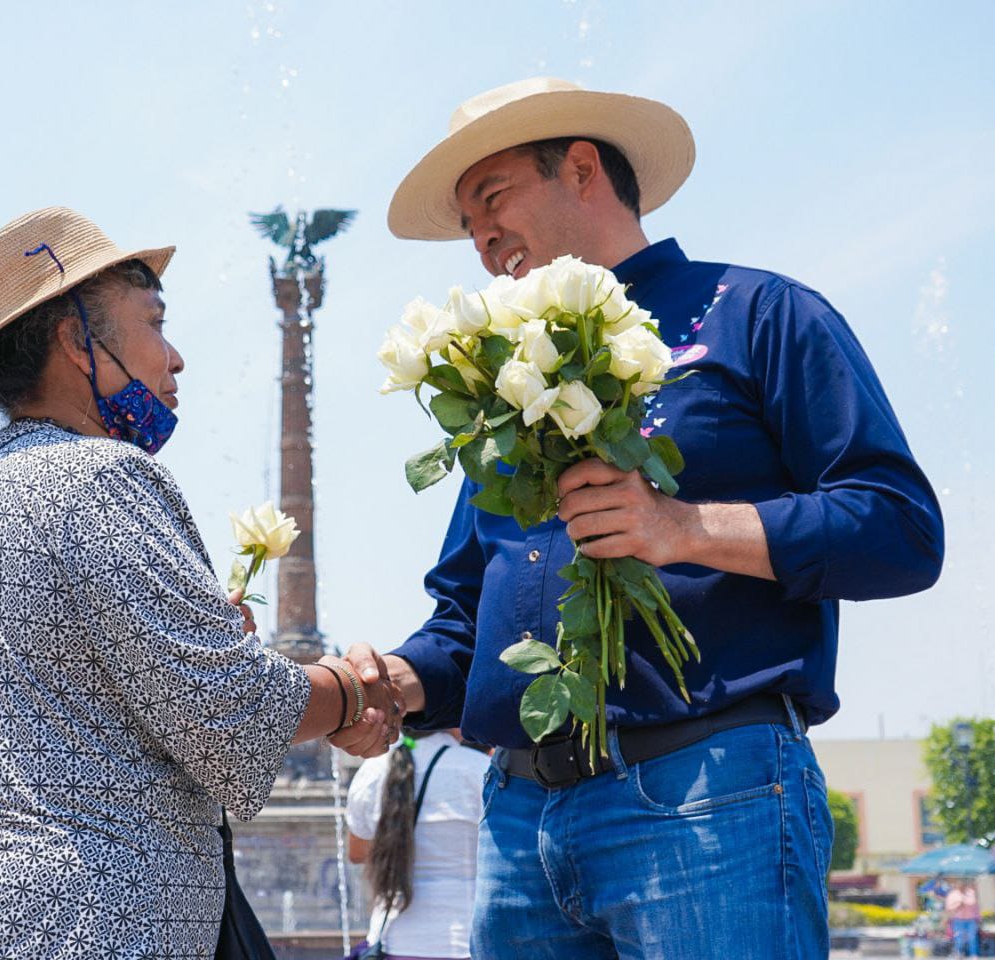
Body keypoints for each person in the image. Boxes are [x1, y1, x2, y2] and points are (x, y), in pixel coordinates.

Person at [363, 78, 945, 959]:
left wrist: (684, 530)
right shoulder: (498, 390)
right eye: (467, 223)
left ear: (584, 167)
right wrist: (391, 686)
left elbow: (900, 529)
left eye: (492, 199)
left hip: (713, 795)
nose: (480, 242)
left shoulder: (761, 315)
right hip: (519, 821)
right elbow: (467, 615)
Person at [0, 207, 402, 960]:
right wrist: (353, 688)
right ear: (78, 341)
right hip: (93, 923)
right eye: (155, 324)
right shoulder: (96, 476)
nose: (175, 359)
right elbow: (228, 717)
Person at [345, 729, 491, 960]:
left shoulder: (373, 770)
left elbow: (356, 852)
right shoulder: (481, 770)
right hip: (464, 940)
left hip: (392, 940)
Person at [945, 880, 981, 957]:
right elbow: (949, 907)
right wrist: (959, 904)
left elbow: (973, 903)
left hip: (971, 919)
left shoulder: (970, 892)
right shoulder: (953, 894)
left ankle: (973, 955)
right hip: (958, 919)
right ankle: (959, 953)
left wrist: (978, 918)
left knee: (972, 937)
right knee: (959, 938)